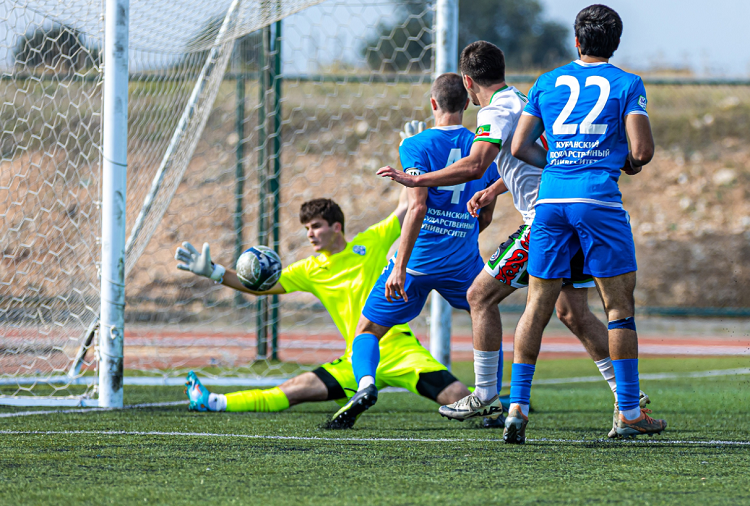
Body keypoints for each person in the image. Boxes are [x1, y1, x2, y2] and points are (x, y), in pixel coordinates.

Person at [377, 40, 648, 438]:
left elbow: (475, 163)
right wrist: (495, 190)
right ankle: (628, 396)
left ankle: (487, 392)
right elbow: (534, 155)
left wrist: (416, 179)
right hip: (574, 211)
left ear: (468, 83)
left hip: (546, 220)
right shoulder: (521, 99)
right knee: (572, 313)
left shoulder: (497, 110)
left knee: (479, 296)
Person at [507, 4, 666, 442]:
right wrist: (627, 162)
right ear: (614, 44)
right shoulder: (628, 83)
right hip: (597, 201)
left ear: (576, 41)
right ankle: (630, 412)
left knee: (536, 306)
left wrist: (557, 160)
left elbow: (520, 146)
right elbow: (642, 150)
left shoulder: (545, 81)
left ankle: (517, 407)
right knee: (618, 309)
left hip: (551, 201)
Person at [175, 196, 470, 415]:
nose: (310, 234)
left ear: (337, 227)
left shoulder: (371, 242)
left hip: (399, 349)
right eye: (306, 228)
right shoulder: (309, 269)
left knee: (461, 397)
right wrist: (215, 272)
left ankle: (509, 408)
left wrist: (413, 171)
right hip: (354, 358)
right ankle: (212, 401)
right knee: (293, 389)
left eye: (316, 226)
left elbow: (406, 208)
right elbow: (261, 287)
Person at [329, 72, 502, 429]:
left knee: (366, 330)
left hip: (417, 262)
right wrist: (461, 234)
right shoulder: (484, 149)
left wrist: (399, 266)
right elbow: (484, 213)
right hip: (462, 262)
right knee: (484, 314)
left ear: (433, 104)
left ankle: (365, 385)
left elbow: (417, 207)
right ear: (468, 103)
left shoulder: (415, 144)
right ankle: (492, 399)